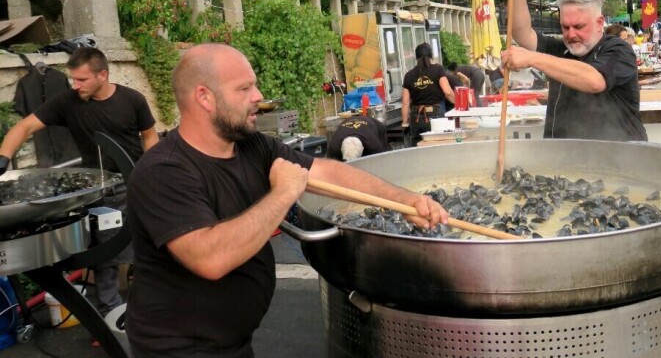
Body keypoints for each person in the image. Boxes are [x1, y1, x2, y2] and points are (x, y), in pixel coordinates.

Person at [125, 44, 447, 358]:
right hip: (176, 348)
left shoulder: (252, 146)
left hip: (231, 341)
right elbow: (210, 258)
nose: (258, 96)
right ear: (204, 97)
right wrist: (283, 193)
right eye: (244, 88)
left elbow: (328, 174)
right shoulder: (163, 170)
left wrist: (404, 200)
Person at [0, 47, 159, 336]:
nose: (76, 85)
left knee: (148, 251)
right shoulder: (68, 102)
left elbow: (150, 136)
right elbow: (24, 127)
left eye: (82, 80)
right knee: (105, 257)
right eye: (73, 79)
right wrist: (2, 159)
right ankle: (110, 323)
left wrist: (155, 174)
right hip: (100, 190)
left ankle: (151, 315)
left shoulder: (131, 99)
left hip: (137, 184)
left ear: (102, 75)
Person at [500, 0, 647, 141]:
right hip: (562, 158)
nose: (570, 34)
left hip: (616, 160)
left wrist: (532, 58)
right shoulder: (561, 49)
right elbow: (522, 33)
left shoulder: (618, 50)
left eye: (579, 27)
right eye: (565, 27)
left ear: (600, 23)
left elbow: (594, 81)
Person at [401, 43, 455, 146]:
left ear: (416, 57)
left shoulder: (408, 75)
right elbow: (447, 92)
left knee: (417, 148)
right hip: (435, 114)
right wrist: (457, 103)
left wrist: (405, 122)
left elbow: (405, 102)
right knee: (438, 146)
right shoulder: (438, 69)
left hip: (416, 116)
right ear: (431, 55)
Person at [325, 115, 392, 161]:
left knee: (385, 156)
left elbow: (381, 159)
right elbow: (331, 165)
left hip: (374, 124)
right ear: (341, 149)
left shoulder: (373, 144)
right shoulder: (334, 145)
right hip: (348, 122)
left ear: (363, 149)